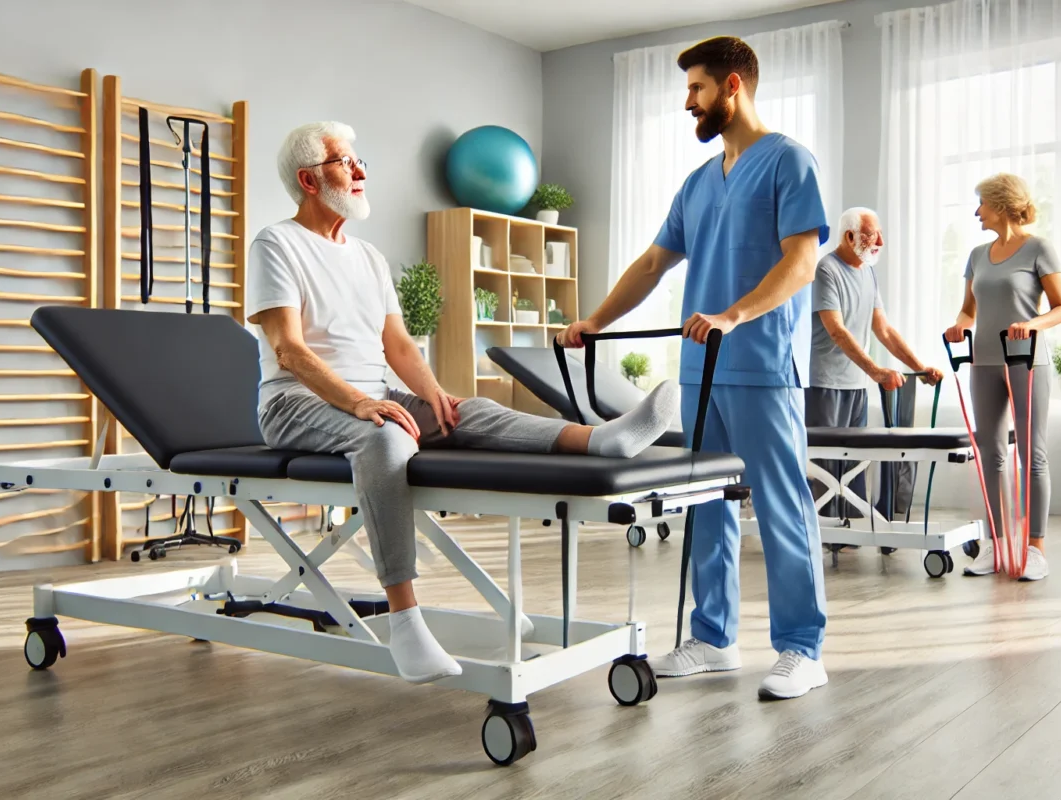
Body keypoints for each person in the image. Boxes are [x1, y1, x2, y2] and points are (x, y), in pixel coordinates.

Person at [248, 121, 681, 684]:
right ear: (309, 180)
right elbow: (288, 349)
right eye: (343, 162)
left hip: (371, 394)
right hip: (294, 402)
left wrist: (431, 393)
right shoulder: (277, 243)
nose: (360, 171)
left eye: (358, 159)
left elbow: (398, 344)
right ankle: (405, 623)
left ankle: (601, 438)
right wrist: (358, 403)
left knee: (467, 409)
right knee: (386, 439)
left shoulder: (370, 258)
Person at [559, 36, 830, 700]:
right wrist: (597, 320)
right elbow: (654, 264)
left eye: (697, 89)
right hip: (701, 369)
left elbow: (801, 263)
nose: (689, 103)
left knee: (781, 505)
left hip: (760, 365)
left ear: (732, 86)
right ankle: (713, 638)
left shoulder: (789, 162)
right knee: (705, 503)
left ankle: (803, 648)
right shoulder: (698, 183)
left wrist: (736, 315)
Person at [943, 173, 1061, 582]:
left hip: (1025, 360)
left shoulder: (1038, 249)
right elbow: (969, 310)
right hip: (984, 362)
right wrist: (958, 326)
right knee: (991, 454)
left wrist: (1032, 324)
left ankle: (1035, 549)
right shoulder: (978, 255)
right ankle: (997, 545)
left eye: (981, 204)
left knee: (1031, 453)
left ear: (1000, 204)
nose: (977, 212)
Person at [808, 207, 943, 520]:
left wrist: (920, 369)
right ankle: (826, 533)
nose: (880, 240)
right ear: (850, 236)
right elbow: (836, 331)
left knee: (856, 461)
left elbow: (883, 329)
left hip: (856, 384)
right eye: (872, 234)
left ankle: (853, 530)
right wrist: (877, 371)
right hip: (824, 382)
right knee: (826, 463)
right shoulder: (826, 269)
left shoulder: (867, 272)